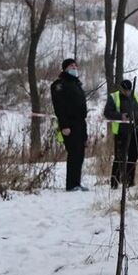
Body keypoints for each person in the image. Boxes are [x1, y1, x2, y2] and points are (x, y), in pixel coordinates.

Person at [51, 58, 89, 192]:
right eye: (71, 66)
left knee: (80, 154)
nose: (74, 67)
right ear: (65, 68)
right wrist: (64, 125)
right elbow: (59, 107)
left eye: (75, 65)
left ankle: (77, 182)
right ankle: (71, 185)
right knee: (73, 153)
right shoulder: (59, 84)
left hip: (80, 123)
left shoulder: (77, 84)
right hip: (69, 123)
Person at [104, 79, 138, 189]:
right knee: (119, 157)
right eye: (125, 90)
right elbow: (107, 113)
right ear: (120, 88)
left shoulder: (135, 96)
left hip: (134, 131)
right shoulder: (114, 97)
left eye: (128, 90)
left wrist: (137, 116)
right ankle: (114, 182)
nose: (127, 92)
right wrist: (120, 116)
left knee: (133, 157)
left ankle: (130, 182)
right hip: (121, 132)